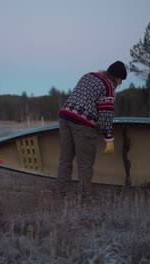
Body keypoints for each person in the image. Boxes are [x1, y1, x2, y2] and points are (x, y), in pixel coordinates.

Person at [56, 61, 127, 198]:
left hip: (65, 117)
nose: (121, 83)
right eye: (121, 80)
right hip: (82, 123)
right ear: (116, 78)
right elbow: (106, 116)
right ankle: (84, 198)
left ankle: (61, 194)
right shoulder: (108, 87)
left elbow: (83, 99)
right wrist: (109, 139)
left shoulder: (89, 75)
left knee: (65, 159)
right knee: (85, 163)